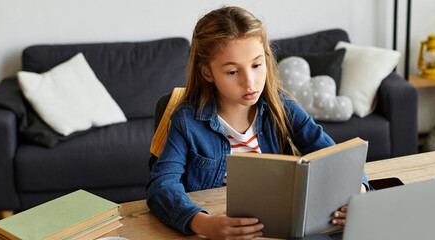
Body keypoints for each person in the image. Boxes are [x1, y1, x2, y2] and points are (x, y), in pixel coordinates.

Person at [146, 6, 369, 239]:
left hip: (278, 226)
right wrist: (204, 224)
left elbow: (336, 157)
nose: (250, 82)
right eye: (233, 72)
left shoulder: (282, 107)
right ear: (207, 73)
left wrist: (359, 191)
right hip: (220, 228)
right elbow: (161, 186)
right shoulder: (186, 121)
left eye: (256, 65)